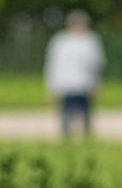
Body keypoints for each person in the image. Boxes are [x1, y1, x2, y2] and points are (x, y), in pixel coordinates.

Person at [45, 10, 106, 140]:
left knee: (86, 113)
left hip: (85, 83)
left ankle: (87, 136)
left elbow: (96, 65)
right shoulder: (61, 41)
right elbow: (53, 65)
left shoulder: (90, 40)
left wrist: (97, 83)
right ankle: (65, 137)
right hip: (66, 83)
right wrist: (52, 86)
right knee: (66, 113)